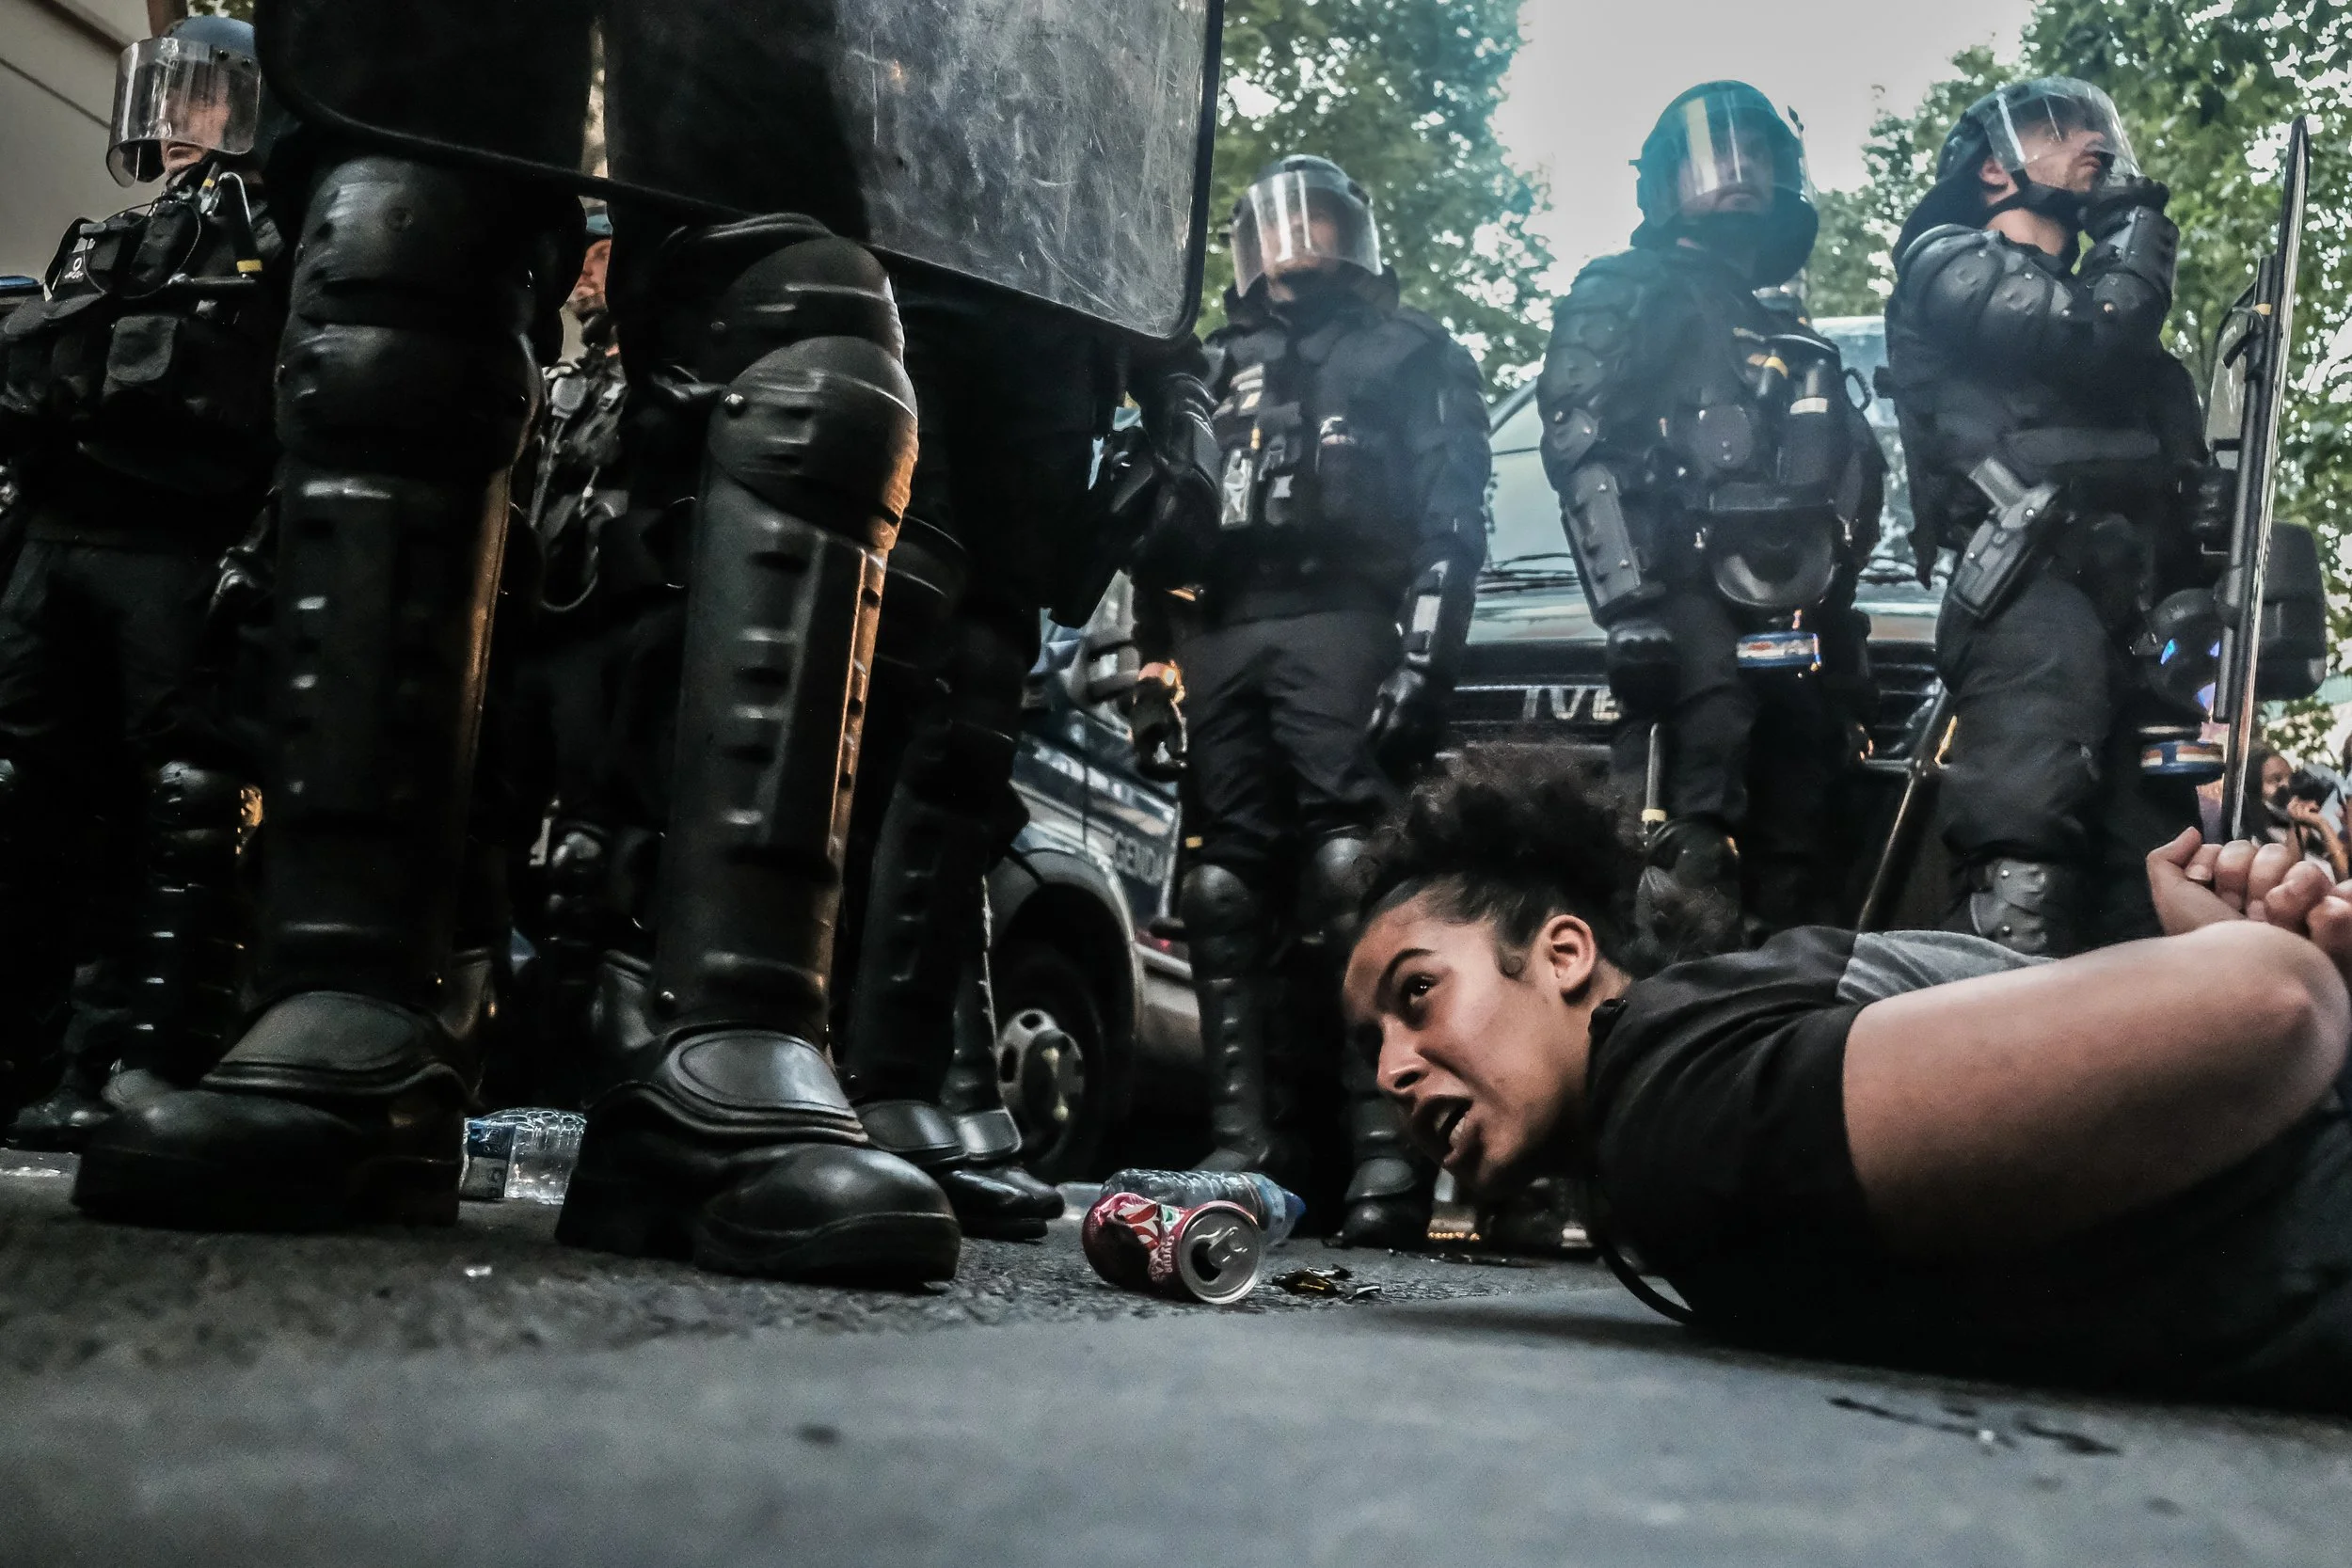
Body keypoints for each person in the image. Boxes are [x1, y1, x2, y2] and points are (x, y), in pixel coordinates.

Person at [1343, 744, 2352, 1412]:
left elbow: (2273, 1006)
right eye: (1371, 1040)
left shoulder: (1672, 1096)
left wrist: (2240, 953)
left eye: (1418, 991)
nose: (1392, 1067)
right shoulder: (1660, 1123)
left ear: (1563, 952)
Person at [1127, 154, 1490, 1245]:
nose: (1298, 247)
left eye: (1321, 224)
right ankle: (1246, 1145)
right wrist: (1157, 672)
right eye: (1278, 229)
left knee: (1355, 872)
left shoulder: (1415, 352)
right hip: (1224, 627)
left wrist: (1425, 659)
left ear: (1359, 238)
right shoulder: (1205, 363)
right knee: (1224, 887)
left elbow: (1450, 519)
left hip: (1348, 617)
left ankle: (1386, 1150)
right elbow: (1160, 530)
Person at [0, 17, 289, 1148]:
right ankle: (24, 1055)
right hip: (59, 542)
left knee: (176, 807)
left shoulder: (283, 241)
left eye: (205, 95)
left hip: (179, 546)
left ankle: (137, 1062)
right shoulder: (104, 242)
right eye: (166, 96)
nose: (177, 121)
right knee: (26, 791)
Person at [1537, 82, 1883, 937]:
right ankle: (1673, 1049)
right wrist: (1627, 605)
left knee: (1805, 844)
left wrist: (1841, 630)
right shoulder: (1625, 289)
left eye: (1756, 156)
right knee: (1688, 845)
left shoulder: (1796, 339)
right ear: (1663, 183)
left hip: (1798, 616)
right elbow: (1580, 440)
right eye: (1712, 156)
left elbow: (1848, 485)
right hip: (1683, 599)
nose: (1737, 172)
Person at [1883, 78, 2219, 957]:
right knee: (2022, 866)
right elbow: (2090, 332)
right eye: (2058, 130)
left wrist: (2207, 515)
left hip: (2136, 623)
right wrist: (2139, 230)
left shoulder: (2139, 353)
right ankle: (1997, 1079)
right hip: (2026, 602)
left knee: (2157, 880)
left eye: (2100, 129)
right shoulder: (1945, 261)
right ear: (1995, 169)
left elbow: (2168, 467)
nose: (2093, 144)